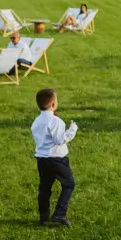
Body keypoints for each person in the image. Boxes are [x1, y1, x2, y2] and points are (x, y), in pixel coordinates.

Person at [31, 88, 78, 227]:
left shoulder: (37, 121)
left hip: (42, 160)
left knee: (45, 188)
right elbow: (59, 140)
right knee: (69, 184)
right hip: (57, 160)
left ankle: (44, 217)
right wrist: (72, 129)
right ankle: (59, 214)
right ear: (53, 104)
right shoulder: (56, 121)